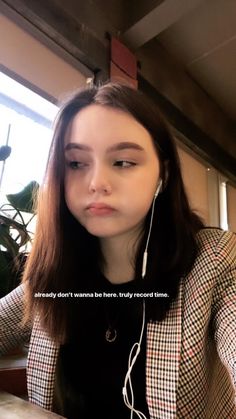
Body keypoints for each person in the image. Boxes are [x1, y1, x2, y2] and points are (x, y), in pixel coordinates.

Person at [0, 81, 235, 419]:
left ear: (163, 176)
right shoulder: (55, 273)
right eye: (77, 164)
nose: (96, 182)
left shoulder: (213, 262)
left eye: (123, 162)